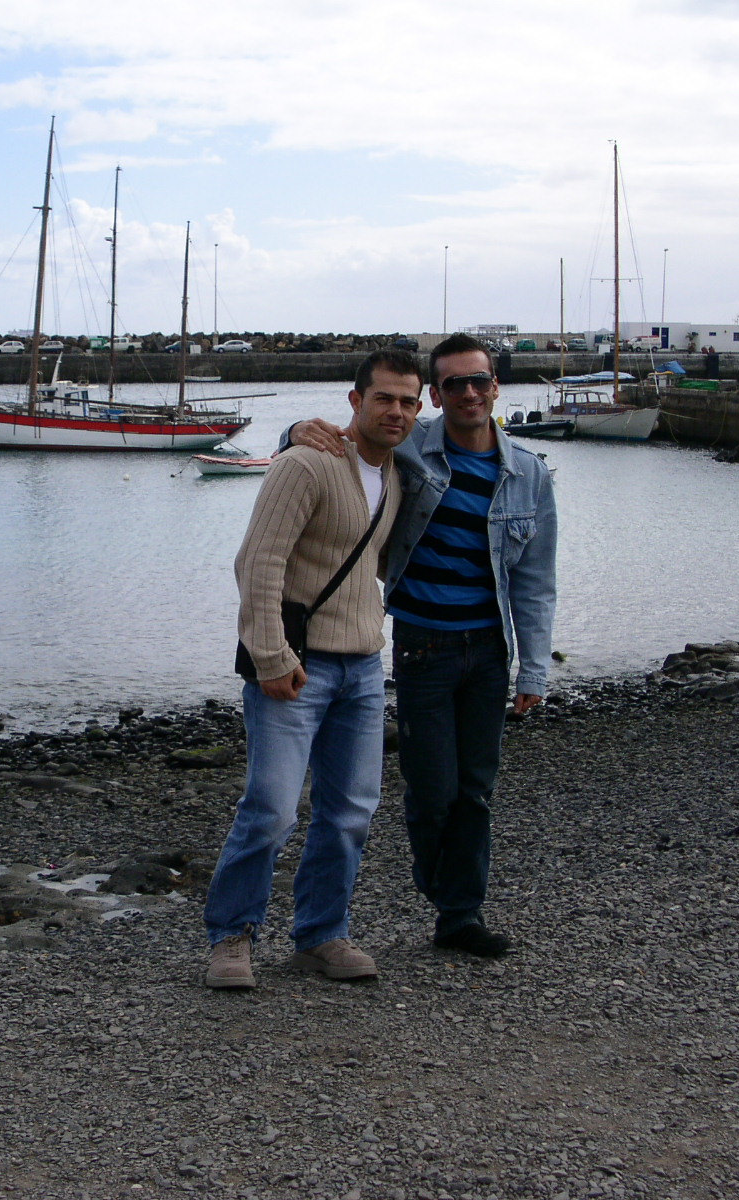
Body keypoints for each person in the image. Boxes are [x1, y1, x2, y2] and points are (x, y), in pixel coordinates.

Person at [282, 332, 556, 958]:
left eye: (479, 380)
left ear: (496, 387)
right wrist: (295, 429)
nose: (468, 392)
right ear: (436, 394)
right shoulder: (411, 446)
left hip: (489, 651)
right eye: (454, 383)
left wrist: (533, 671)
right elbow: (334, 445)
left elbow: (536, 583)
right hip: (423, 647)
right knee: (432, 791)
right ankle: (441, 887)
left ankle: (460, 915)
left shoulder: (529, 474)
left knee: (475, 789)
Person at [204, 350, 422, 989]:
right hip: (297, 666)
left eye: (409, 401)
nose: (397, 411)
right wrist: (271, 656)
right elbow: (257, 563)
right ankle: (231, 937)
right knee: (271, 808)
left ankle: (322, 934)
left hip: (363, 668)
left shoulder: (402, 472)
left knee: (350, 812)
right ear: (355, 401)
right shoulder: (306, 463)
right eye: (384, 398)